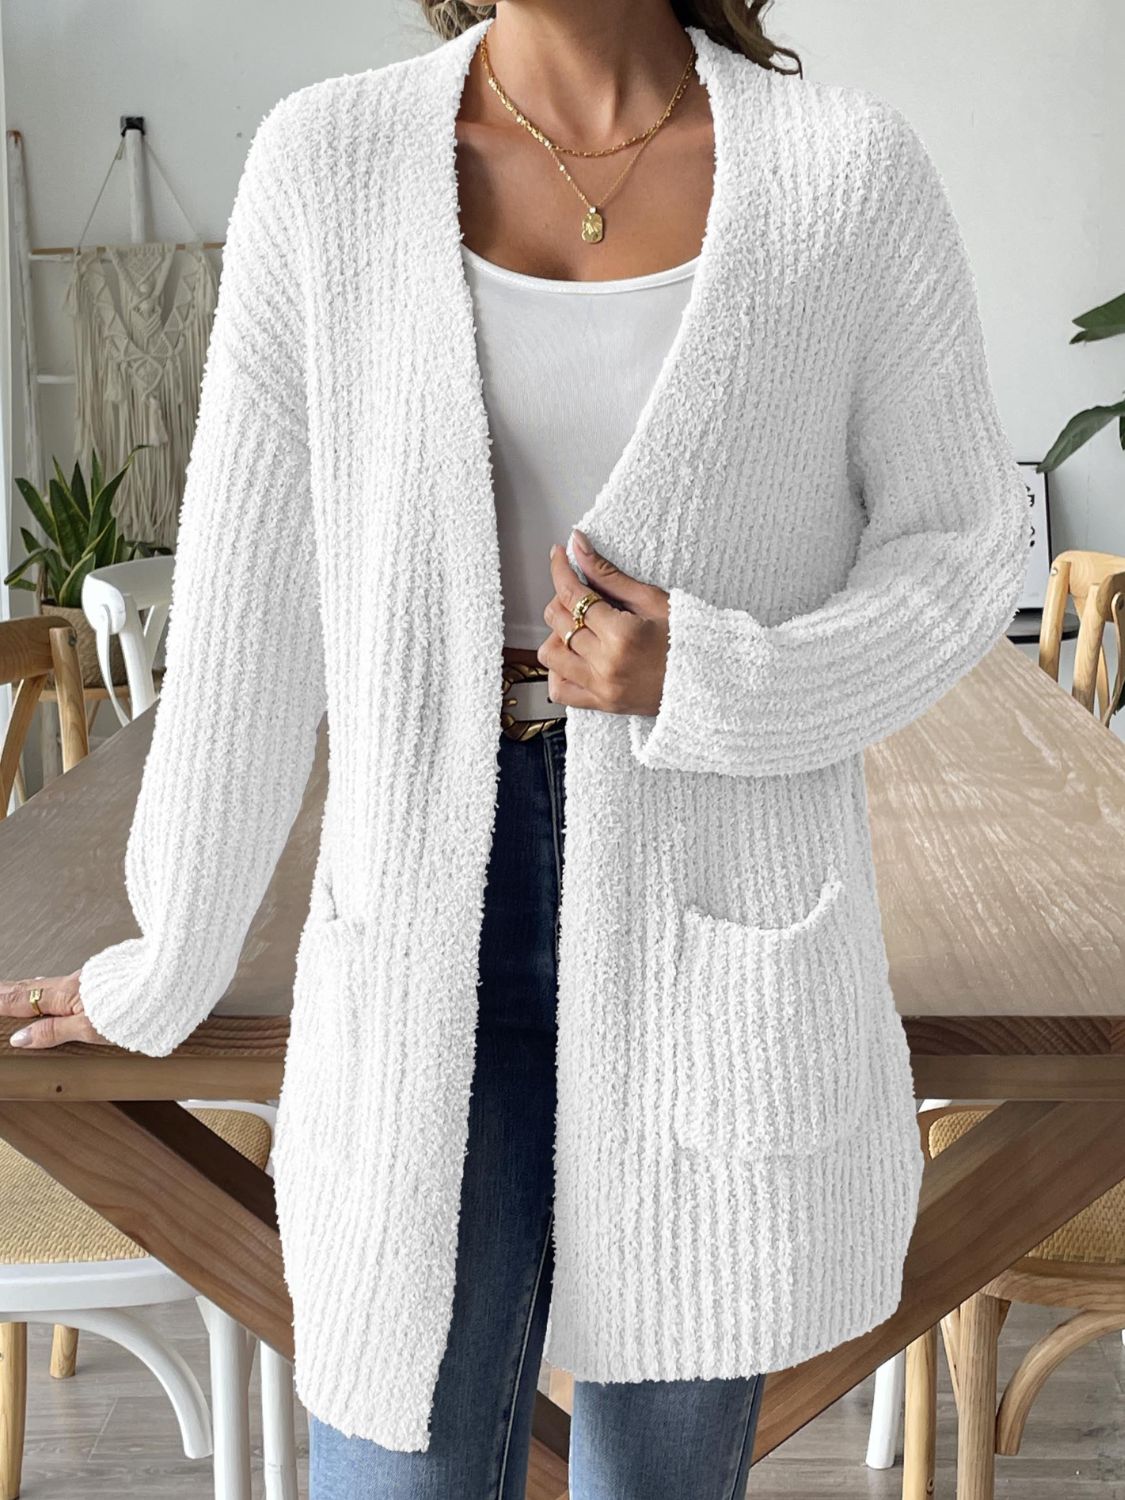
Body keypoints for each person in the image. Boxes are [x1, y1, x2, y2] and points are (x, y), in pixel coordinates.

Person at [2, 1, 1030, 1495]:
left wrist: (713, 676)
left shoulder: (841, 172)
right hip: (422, 899)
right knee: (397, 1458)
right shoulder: (331, 160)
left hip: (716, 902)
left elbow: (960, 545)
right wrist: (170, 954)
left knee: (658, 1472)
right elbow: (245, 600)